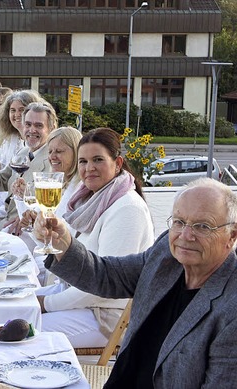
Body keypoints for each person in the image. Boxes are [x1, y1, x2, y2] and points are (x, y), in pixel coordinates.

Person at [35, 178, 237, 387]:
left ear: (232, 235)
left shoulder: (232, 309)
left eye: (203, 226)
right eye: (179, 222)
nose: (185, 235)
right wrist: (63, 242)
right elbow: (106, 275)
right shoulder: (166, 256)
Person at [33, 127, 154, 348]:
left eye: (97, 159)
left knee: (23, 329)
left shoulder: (128, 209)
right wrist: (44, 235)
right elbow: (76, 263)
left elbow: (102, 286)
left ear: (117, 163)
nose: (89, 168)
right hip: (76, 297)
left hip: (104, 315)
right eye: (83, 162)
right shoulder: (90, 199)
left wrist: (46, 303)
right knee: (10, 307)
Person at [16, 126, 82, 284]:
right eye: (50, 151)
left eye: (59, 151)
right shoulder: (61, 182)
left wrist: (36, 223)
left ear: (76, 152)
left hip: (61, 268)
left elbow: (59, 236)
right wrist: (22, 203)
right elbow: (40, 220)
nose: (53, 156)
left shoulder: (79, 189)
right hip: (46, 254)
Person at [0, 98, 54, 231]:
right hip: (6, 217)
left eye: (39, 126)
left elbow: (52, 204)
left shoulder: (52, 160)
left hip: (24, 227)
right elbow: (2, 180)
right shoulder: (23, 152)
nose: (32, 130)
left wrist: (28, 198)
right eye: (28, 124)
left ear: (51, 128)